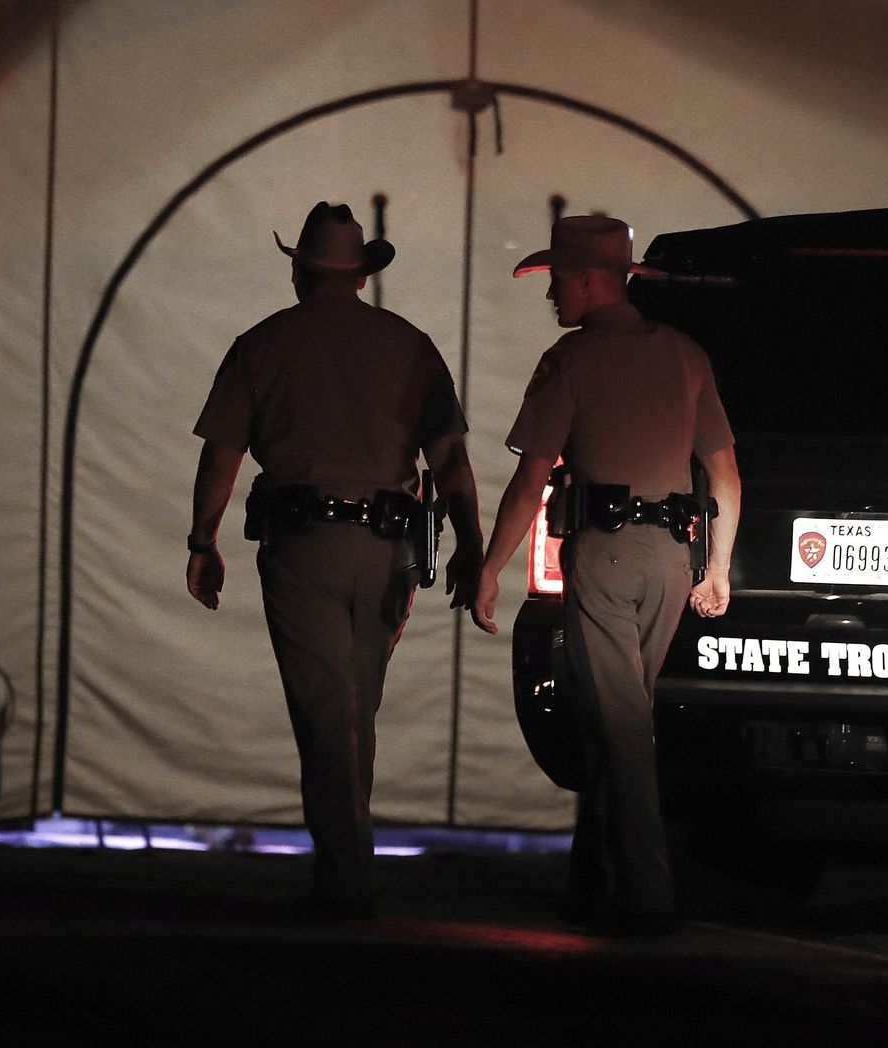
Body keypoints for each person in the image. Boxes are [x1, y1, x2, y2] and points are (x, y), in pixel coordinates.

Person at [186, 201, 482, 919]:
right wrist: (475, 550)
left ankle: (345, 877)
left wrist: (203, 541)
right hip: (390, 549)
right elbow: (450, 460)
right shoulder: (411, 345)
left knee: (326, 711)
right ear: (358, 275)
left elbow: (221, 454)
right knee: (358, 704)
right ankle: (351, 864)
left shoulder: (261, 345)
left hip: (303, 543)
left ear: (299, 268)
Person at [471, 215, 740, 935]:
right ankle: (590, 880)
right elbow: (724, 474)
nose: (552, 293)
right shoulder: (685, 356)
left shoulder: (572, 360)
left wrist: (490, 568)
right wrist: (714, 568)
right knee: (614, 717)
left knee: (621, 725)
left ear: (592, 279)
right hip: (670, 560)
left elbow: (531, 481)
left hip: (605, 554)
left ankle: (649, 894)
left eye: (559, 278)